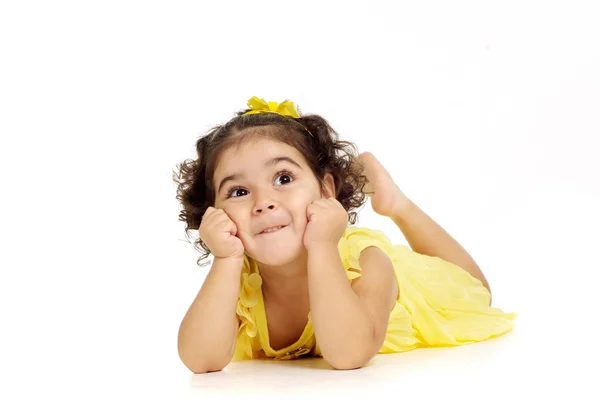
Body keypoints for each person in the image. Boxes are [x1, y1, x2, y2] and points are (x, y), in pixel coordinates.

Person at [173, 96, 517, 374]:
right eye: (238, 192)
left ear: (325, 191)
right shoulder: (239, 278)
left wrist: (322, 246)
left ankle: (397, 204)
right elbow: (201, 360)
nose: (263, 203)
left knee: (474, 291)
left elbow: (349, 353)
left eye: (283, 179)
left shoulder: (366, 262)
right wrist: (226, 258)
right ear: (213, 214)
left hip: (418, 297)